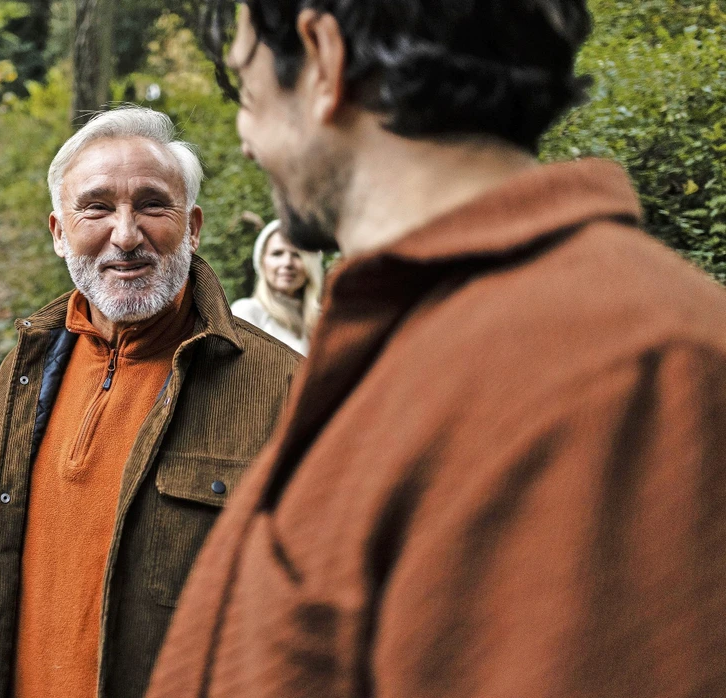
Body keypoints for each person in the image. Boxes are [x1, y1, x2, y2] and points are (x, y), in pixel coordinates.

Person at [147, 1, 726, 698]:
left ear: (323, 60)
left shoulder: (615, 366)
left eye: (244, 88)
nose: (243, 137)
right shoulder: (401, 338)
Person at [0, 106, 300, 698]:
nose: (126, 235)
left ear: (193, 226)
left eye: (152, 204)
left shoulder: (286, 391)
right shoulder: (24, 369)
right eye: (96, 207)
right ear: (58, 232)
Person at [230, 219, 323, 354]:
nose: (287, 263)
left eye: (297, 255)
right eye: (277, 254)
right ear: (263, 262)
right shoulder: (246, 313)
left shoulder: (323, 321)